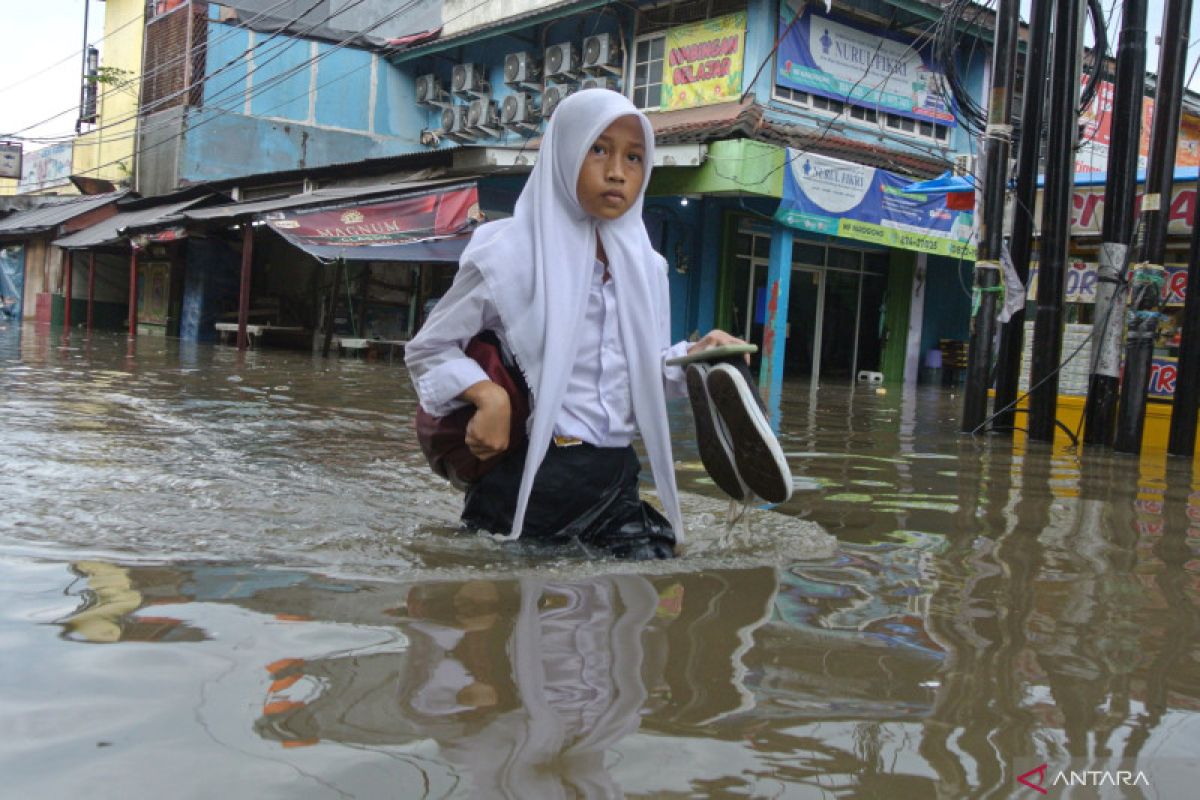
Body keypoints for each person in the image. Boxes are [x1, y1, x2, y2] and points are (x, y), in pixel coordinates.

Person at [405, 88, 745, 559]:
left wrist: (695, 358)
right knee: (508, 606)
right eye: (599, 149)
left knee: (644, 581)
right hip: (525, 477)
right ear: (564, 152)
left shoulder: (648, 267)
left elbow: (640, 374)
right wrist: (488, 396)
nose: (616, 172)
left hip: (613, 479)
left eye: (634, 157)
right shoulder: (506, 254)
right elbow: (428, 350)